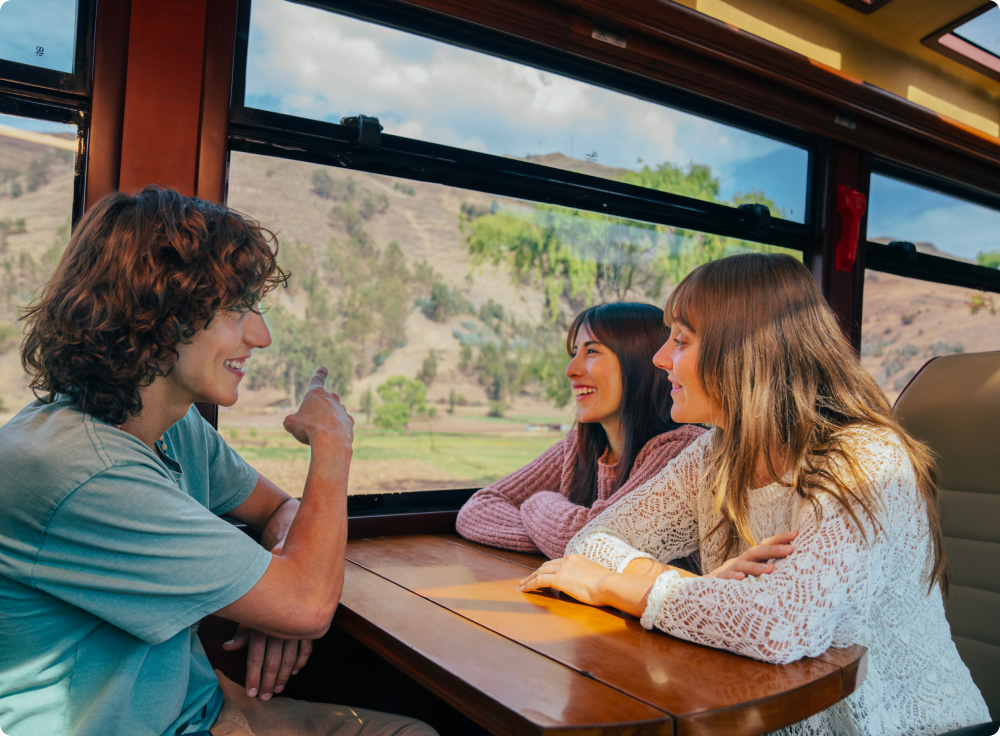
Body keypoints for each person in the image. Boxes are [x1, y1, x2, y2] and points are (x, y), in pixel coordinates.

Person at [0, 187, 436, 736]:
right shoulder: (82, 471)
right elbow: (308, 604)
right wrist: (333, 445)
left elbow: (278, 508)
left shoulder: (172, 427)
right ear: (154, 312)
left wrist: (274, 581)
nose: (262, 335)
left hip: (201, 709)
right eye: (236, 309)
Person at [520, 253, 990, 734]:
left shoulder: (866, 459)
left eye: (680, 340)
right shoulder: (714, 452)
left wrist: (624, 586)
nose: (661, 358)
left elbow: (783, 625)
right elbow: (590, 544)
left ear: (746, 352)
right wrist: (685, 585)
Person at [457, 302, 704, 561]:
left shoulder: (681, 450)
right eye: (574, 353)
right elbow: (478, 508)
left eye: (592, 351)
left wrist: (539, 503)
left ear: (640, 361)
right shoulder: (578, 446)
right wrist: (553, 536)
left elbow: (595, 542)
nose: (571, 370)